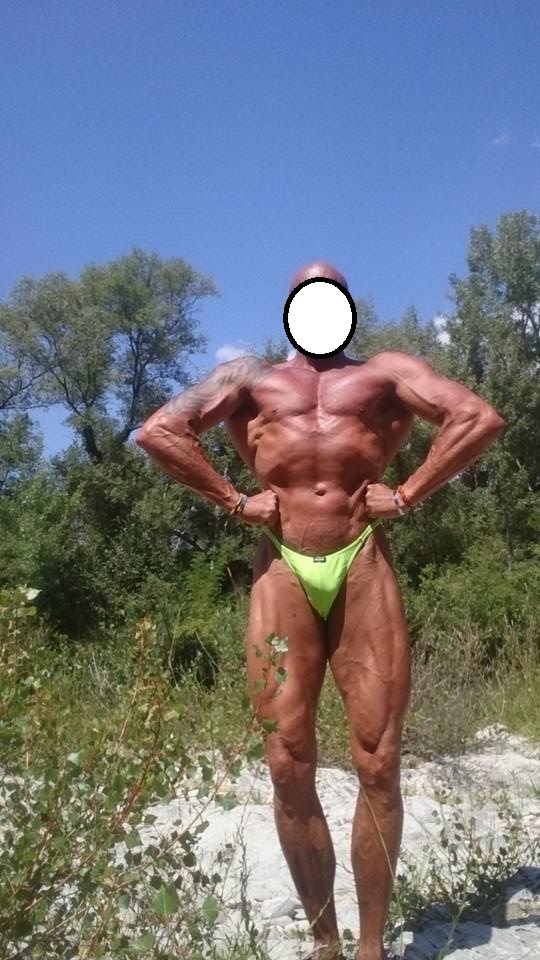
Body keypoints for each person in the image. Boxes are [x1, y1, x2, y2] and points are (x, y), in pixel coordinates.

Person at [136, 262, 505, 960]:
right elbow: (160, 431)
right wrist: (233, 500)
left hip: (363, 562)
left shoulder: (385, 374)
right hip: (282, 566)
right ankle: (325, 943)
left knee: (379, 760)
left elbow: (477, 416)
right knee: (286, 762)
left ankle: (371, 947)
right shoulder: (250, 379)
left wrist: (410, 492)